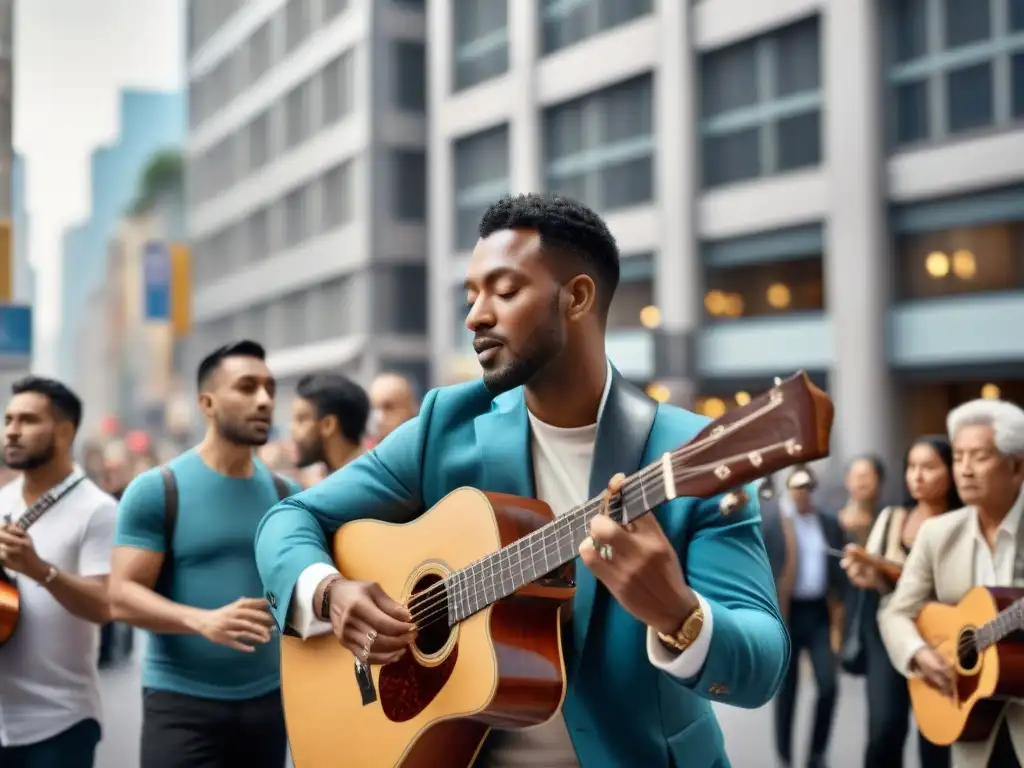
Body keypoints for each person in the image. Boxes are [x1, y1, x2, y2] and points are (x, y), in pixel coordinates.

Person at [254, 193, 789, 767]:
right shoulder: (445, 426)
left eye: (504, 292)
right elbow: (290, 518)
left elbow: (761, 664)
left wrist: (679, 615)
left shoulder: (689, 452)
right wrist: (331, 593)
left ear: (577, 297)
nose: (475, 315)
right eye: (471, 295)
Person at [109, 341, 301, 768]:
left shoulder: (289, 495)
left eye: (269, 388)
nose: (265, 400)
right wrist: (202, 621)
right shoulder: (157, 489)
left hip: (270, 702)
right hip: (181, 705)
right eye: (247, 387)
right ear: (207, 403)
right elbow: (120, 596)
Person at [879, 399, 1024, 768]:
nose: (965, 470)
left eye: (979, 457)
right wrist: (919, 652)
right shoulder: (938, 534)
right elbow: (896, 611)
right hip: (970, 731)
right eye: (959, 457)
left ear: (1017, 466)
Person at [0, 377, 117, 767]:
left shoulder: (97, 510)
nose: (12, 431)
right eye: (9, 419)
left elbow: (105, 606)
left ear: (64, 432)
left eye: (28, 420)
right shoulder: (2, 499)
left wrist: (38, 569)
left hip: (61, 722)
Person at [842, 435, 959, 768]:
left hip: (942, 637)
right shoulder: (893, 517)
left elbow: (946, 584)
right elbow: (871, 582)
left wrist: (882, 564)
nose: (917, 476)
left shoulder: (963, 523)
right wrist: (862, 568)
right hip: (886, 632)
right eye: (912, 467)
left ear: (949, 472)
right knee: (884, 728)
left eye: (929, 467)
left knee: (936, 735)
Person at [773, 466, 846, 768]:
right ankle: (785, 756)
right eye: (796, 489)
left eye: (807, 489)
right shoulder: (776, 524)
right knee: (787, 690)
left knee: (828, 684)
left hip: (818, 613)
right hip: (788, 612)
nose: (802, 496)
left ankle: (817, 753)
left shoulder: (827, 522)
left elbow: (838, 567)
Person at [291, 373, 370, 474]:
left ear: (328, 425)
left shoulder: (365, 481)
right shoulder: (327, 477)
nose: (292, 429)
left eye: (301, 420)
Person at [367, 372, 418, 444]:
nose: (378, 418)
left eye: (388, 407)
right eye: (373, 408)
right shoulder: (364, 452)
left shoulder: (427, 451)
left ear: (411, 408)